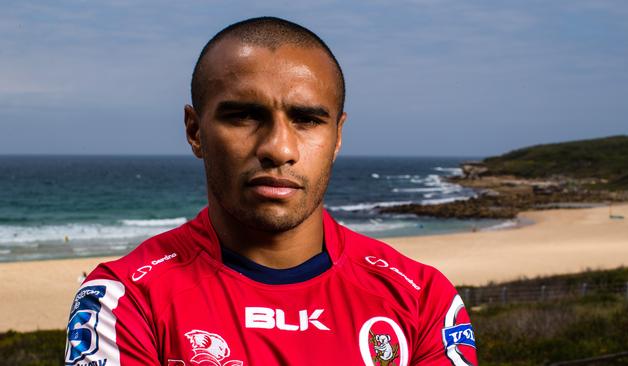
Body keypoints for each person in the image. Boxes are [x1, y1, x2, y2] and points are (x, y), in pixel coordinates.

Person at [65, 16, 477, 366]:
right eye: (243, 116)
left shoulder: (423, 300)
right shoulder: (121, 300)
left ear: (337, 137)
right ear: (195, 131)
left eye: (307, 120)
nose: (279, 148)